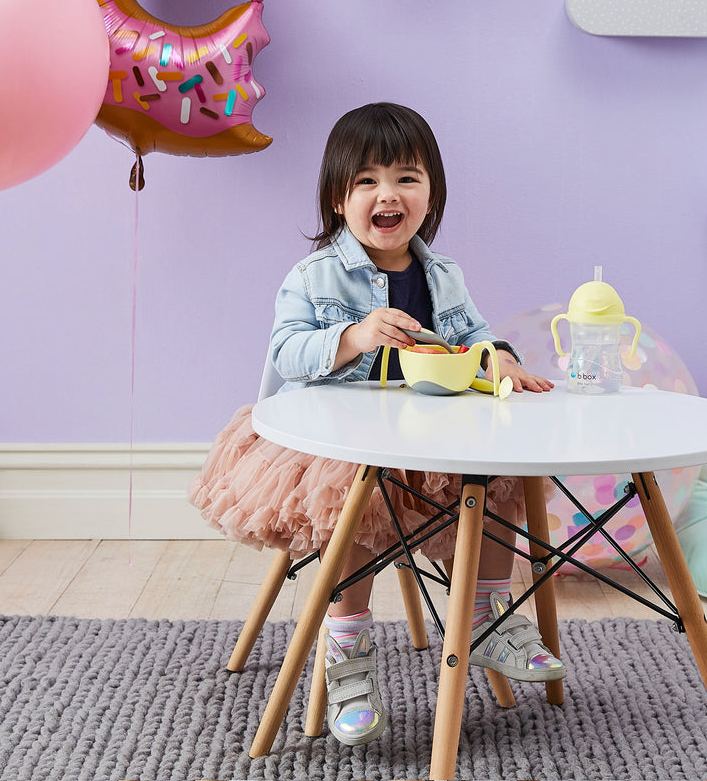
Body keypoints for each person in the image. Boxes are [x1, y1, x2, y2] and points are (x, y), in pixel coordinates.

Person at [190, 102, 562, 748]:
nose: (387, 194)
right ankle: (349, 652)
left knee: (501, 472)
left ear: (430, 195)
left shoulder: (442, 275)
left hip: (422, 436)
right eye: (366, 181)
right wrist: (354, 335)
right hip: (324, 442)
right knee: (361, 493)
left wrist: (498, 354)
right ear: (339, 199)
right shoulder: (316, 275)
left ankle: (485, 617)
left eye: (406, 178)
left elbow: (473, 335)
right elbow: (287, 352)